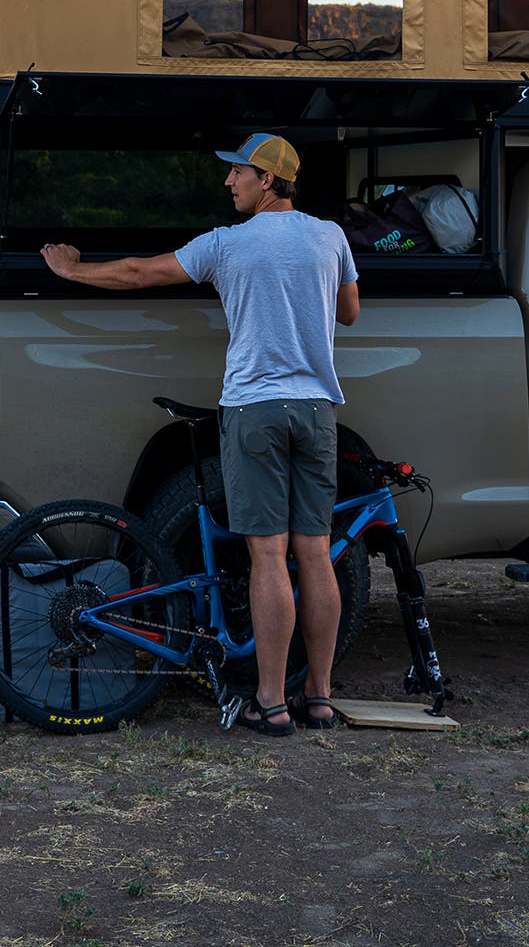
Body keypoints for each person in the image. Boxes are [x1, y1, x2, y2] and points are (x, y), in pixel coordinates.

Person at [40, 132, 360, 736]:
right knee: (315, 554)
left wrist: (74, 269)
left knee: (267, 555)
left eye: (237, 172)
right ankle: (318, 697)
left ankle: (270, 700)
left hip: (254, 411)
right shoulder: (330, 237)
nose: (227, 181)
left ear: (267, 180)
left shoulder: (227, 246)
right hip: (316, 409)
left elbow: (139, 274)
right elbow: (349, 311)